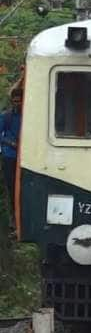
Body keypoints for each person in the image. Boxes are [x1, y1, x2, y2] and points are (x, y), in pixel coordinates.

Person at [1, 88, 21, 230]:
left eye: (19, 101)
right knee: (11, 188)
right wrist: (10, 143)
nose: (17, 104)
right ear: (11, 101)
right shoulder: (6, 116)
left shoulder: (27, 116)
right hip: (9, 156)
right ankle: (13, 220)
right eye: (14, 101)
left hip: (24, 159)